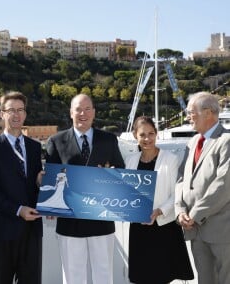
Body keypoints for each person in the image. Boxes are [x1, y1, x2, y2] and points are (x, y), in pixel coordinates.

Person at [45, 93, 125, 284]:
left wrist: (111, 174)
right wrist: (48, 203)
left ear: (94, 113)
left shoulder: (109, 140)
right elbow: (50, 178)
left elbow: (121, 174)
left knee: (104, 275)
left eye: (87, 109)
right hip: (70, 223)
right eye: (78, 109)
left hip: (102, 219)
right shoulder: (56, 141)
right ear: (71, 112)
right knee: (73, 277)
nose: (83, 113)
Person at [0, 91, 43, 284]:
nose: (16, 115)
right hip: (2, 231)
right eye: (11, 110)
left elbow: (34, 184)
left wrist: (42, 184)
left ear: (25, 114)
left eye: (20, 110)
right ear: (2, 114)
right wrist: (18, 210)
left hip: (31, 232)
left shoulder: (35, 147)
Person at [125, 116, 194, 284]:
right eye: (142, 135)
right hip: (139, 228)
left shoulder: (170, 159)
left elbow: (176, 193)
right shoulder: (130, 161)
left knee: (162, 276)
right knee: (142, 276)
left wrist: (159, 211)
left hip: (163, 226)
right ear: (135, 135)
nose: (147, 139)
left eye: (151, 134)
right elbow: (126, 193)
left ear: (157, 134)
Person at [175, 91, 230, 284]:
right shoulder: (192, 142)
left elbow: (224, 185)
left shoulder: (226, 141)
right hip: (196, 231)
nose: (187, 117)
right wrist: (180, 210)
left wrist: (195, 215)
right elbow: (181, 179)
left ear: (207, 113)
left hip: (221, 231)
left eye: (191, 112)